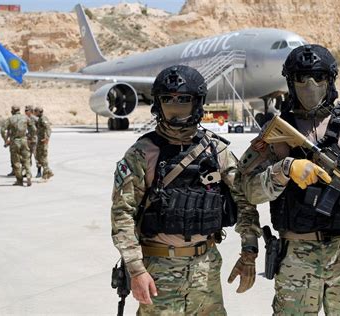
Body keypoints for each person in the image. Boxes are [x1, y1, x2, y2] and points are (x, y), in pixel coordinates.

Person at [238, 44, 340, 315]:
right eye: (301, 78)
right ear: (290, 81)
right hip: (297, 255)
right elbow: (248, 190)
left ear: (330, 80)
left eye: (318, 77)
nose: (310, 85)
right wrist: (284, 170)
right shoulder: (275, 133)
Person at [110, 65, 260, 315]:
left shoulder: (216, 150)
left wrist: (249, 252)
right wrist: (136, 270)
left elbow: (244, 200)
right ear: (158, 104)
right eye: (168, 100)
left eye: (184, 100)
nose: (175, 107)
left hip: (207, 268)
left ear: (197, 104)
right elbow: (122, 214)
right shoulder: (142, 154)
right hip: (158, 272)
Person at [1, 105, 36, 186]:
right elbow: (33, 129)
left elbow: (2, 129)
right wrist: (30, 137)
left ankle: (19, 180)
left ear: (12, 111)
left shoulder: (10, 119)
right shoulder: (26, 118)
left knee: (16, 161)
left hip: (14, 142)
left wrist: (6, 140)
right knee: (26, 159)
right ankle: (28, 176)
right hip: (24, 140)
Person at [34, 106, 53, 180]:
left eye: (36, 111)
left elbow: (48, 128)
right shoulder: (39, 119)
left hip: (43, 141)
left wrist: (47, 138)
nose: (34, 112)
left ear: (39, 112)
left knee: (43, 157)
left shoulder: (43, 119)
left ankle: (45, 176)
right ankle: (49, 171)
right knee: (38, 157)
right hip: (40, 141)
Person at [25, 105, 40, 177]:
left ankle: (39, 171)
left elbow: (40, 127)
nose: (25, 112)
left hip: (34, 140)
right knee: (27, 156)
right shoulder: (26, 118)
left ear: (31, 111)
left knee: (36, 156)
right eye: (25, 110)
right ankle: (27, 172)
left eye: (27, 110)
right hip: (28, 140)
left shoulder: (35, 118)